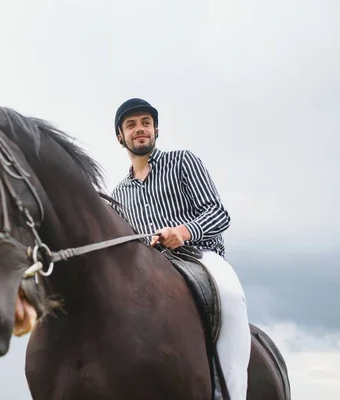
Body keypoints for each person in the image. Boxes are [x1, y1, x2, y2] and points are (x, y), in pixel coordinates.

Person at [110, 98, 251, 399]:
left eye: (146, 123)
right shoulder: (118, 194)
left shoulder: (183, 161)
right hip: (150, 272)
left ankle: (231, 393)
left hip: (201, 258)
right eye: (131, 125)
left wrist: (183, 231)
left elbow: (218, 213)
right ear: (120, 136)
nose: (140, 129)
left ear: (156, 130)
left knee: (230, 295)